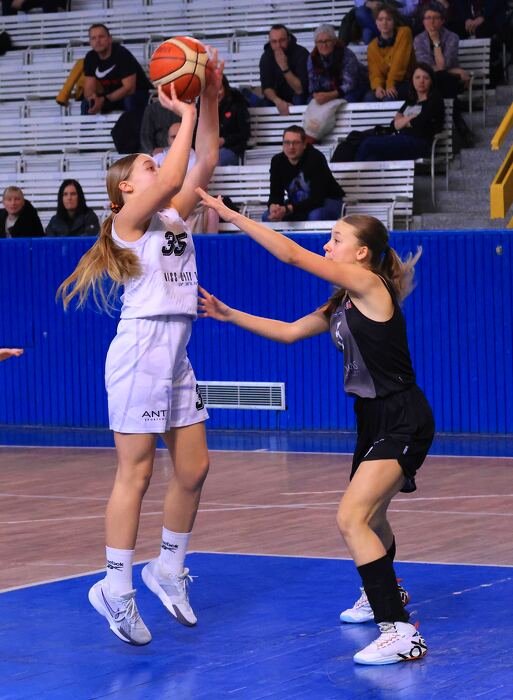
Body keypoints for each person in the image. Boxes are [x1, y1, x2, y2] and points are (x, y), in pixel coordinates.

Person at [195, 194, 434, 666]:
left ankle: (400, 632)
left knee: (351, 518)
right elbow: (289, 332)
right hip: (371, 419)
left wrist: (232, 216)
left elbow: (290, 254)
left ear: (361, 252)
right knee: (373, 518)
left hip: (402, 417)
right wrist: (229, 314)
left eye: (335, 239)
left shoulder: (369, 284)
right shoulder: (344, 301)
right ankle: (387, 590)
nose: (327, 246)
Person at [57, 51, 223, 646]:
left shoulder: (172, 217)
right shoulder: (127, 222)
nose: (161, 166)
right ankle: (116, 587)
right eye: (149, 164)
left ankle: (167, 570)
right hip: (140, 351)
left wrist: (210, 96)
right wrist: (183, 109)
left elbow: (206, 156)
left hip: (176, 353)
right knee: (137, 472)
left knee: (195, 468)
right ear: (126, 187)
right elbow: (176, 174)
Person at [335, 63, 444, 161]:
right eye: (417, 77)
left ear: (431, 81)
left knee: (368, 143)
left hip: (420, 143)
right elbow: (393, 125)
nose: (421, 81)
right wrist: (409, 118)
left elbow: (419, 122)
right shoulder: (410, 101)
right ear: (412, 80)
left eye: (426, 78)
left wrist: (402, 121)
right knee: (372, 158)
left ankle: (352, 174)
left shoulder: (434, 98)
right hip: (401, 141)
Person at [414, 2, 474, 146]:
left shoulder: (452, 37)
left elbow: (442, 66)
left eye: (435, 18)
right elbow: (427, 67)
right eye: (428, 18)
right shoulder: (418, 40)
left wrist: (436, 43)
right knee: (440, 81)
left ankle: (441, 130)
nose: (431, 22)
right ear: (423, 21)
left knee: (442, 78)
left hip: (451, 81)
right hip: (433, 82)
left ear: (442, 20)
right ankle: (459, 124)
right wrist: (457, 70)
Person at [263, 125, 344, 222]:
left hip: (327, 200)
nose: (291, 147)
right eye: (287, 142)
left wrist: (287, 209)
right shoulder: (277, 161)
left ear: (304, 144)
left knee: (315, 216)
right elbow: (275, 194)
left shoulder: (315, 158)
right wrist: (274, 206)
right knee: (267, 216)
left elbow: (317, 199)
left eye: (296, 143)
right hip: (298, 203)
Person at [304, 24, 368, 143]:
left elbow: (350, 84)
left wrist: (329, 96)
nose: (324, 45)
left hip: (352, 88)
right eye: (320, 42)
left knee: (350, 99)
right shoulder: (312, 58)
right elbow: (312, 85)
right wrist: (317, 95)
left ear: (334, 41)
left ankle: (346, 133)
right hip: (326, 91)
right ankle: (315, 134)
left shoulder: (346, 55)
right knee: (310, 101)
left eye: (327, 41)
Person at [154, 124, 219, 234]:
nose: (177, 139)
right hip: (165, 204)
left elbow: (202, 187)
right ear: (168, 139)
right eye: (173, 137)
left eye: (180, 135)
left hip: (193, 202)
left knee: (212, 210)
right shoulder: (157, 159)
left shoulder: (199, 159)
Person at [81, 24, 151, 116]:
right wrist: (93, 99)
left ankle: (133, 125)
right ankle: (86, 126)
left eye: (101, 37)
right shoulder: (90, 57)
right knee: (87, 104)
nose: (97, 41)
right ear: (90, 42)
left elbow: (129, 88)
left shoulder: (121, 54)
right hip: (111, 96)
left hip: (136, 94)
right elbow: (89, 89)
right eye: (93, 38)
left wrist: (104, 99)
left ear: (110, 39)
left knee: (129, 100)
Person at [253, 24, 309, 114]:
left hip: (298, 97)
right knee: (260, 103)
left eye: (282, 40)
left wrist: (284, 67)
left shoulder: (301, 53)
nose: (278, 45)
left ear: (288, 39)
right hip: (276, 99)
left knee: (300, 99)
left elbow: (300, 89)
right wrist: (278, 101)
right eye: (274, 42)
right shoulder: (267, 56)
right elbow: (267, 87)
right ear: (270, 42)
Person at [366, 4, 415, 101]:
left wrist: (391, 83)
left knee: (389, 98)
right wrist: (378, 87)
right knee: (369, 98)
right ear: (376, 22)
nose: (384, 23)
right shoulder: (372, 46)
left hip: (405, 81)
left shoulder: (404, 33)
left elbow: (399, 62)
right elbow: (375, 73)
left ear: (394, 21)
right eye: (380, 19)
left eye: (388, 19)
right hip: (386, 83)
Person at [217, 75, 250, 166]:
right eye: (212, 89)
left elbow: (245, 133)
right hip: (207, 149)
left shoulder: (237, 102)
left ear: (225, 88)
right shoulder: (203, 104)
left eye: (219, 89)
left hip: (232, 148)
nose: (216, 93)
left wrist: (225, 140)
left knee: (215, 160)